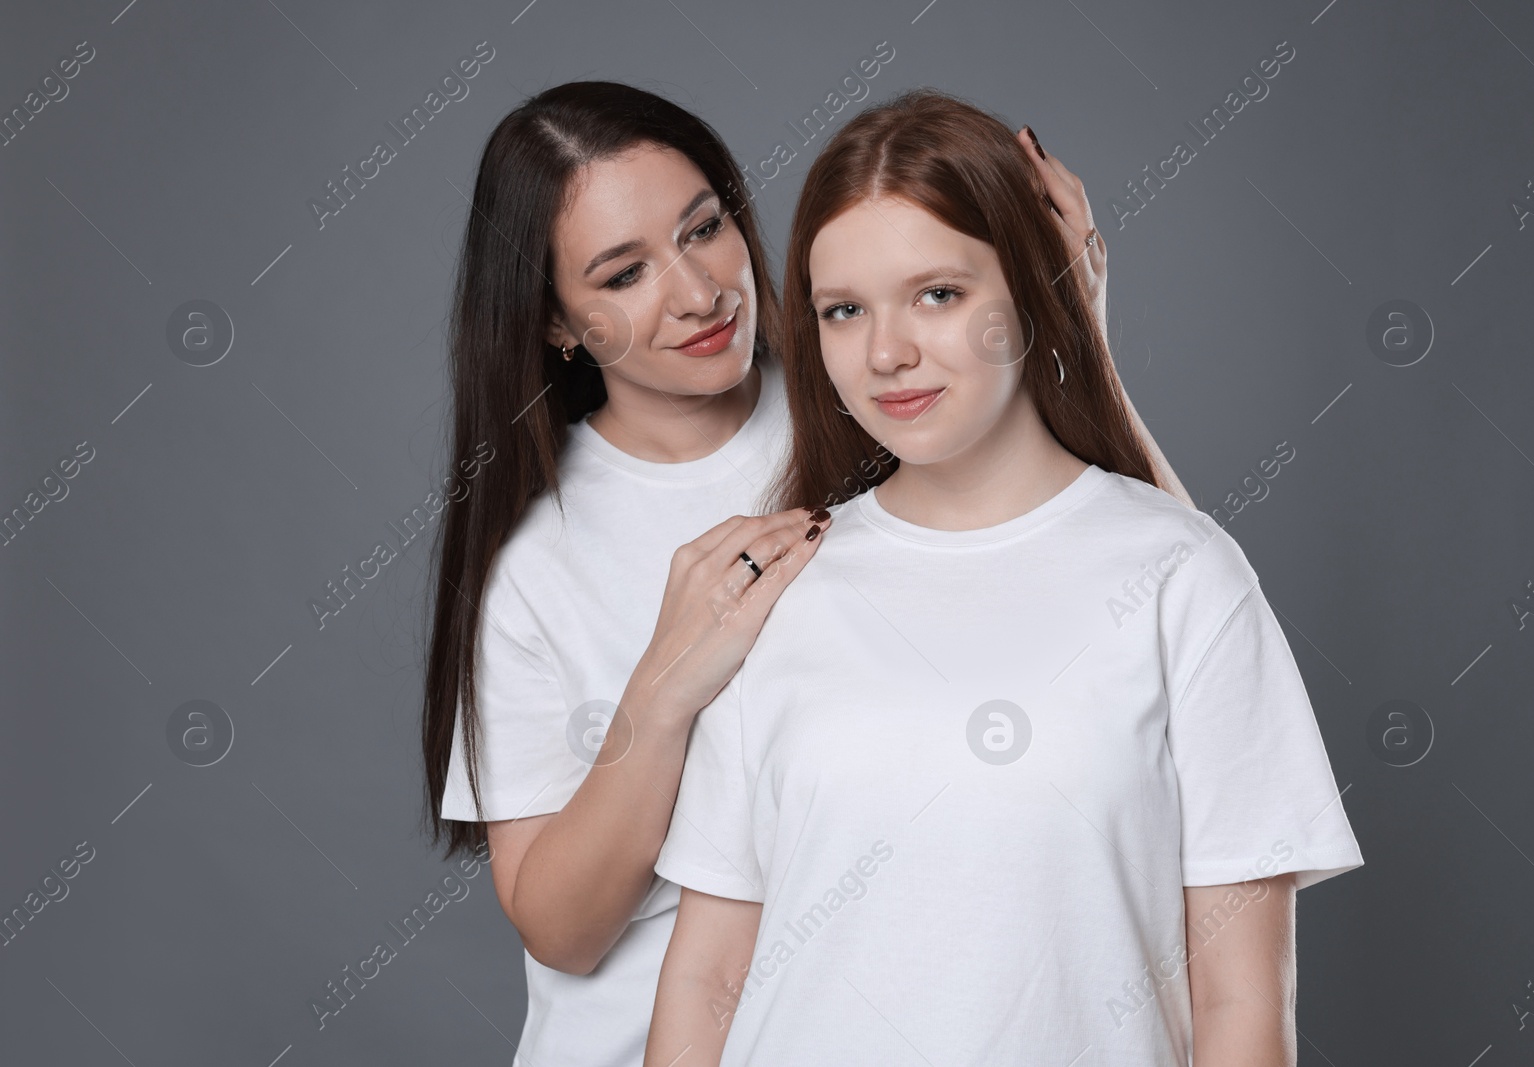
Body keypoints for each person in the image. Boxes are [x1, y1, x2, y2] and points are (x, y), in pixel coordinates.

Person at [420, 81, 1188, 1066]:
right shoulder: (537, 565)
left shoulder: (883, 394)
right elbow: (561, 929)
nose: (698, 291)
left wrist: (1075, 331)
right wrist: (662, 691)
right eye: (622, 274)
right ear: (556, 323)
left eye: (705, 228)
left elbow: (1167, 618)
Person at [646, 88, 1363, 1067]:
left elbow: (1241, 997)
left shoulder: (1181, 576)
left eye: (937, 293)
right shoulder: (777, 587)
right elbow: (707, 973)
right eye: (843, 310)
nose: (887, 351)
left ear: (1030, 285)